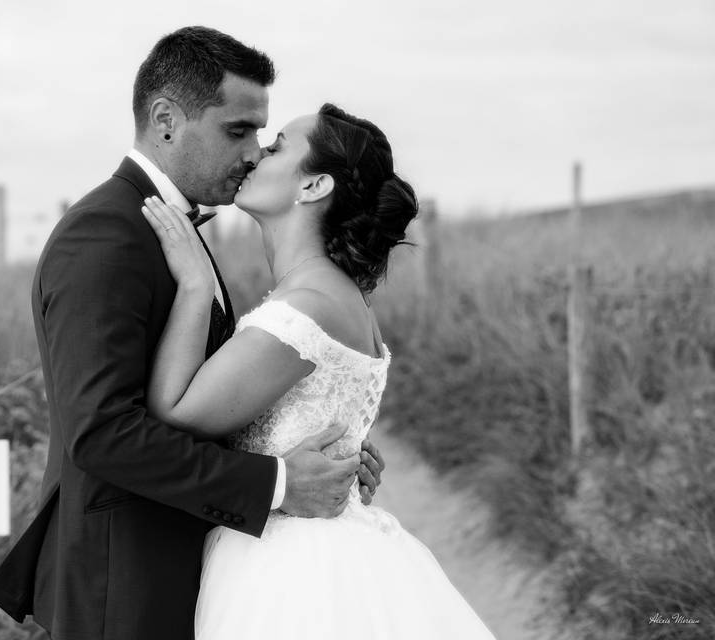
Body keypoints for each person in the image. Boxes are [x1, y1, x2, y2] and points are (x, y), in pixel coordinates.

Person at [0, 27, 386, 640]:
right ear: (167, 120)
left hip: (187, 565)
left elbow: (211, 400)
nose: (252, 152)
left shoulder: (174, 227)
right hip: (125, 579)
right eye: (238, 130)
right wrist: (279, 482)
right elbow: (103, 433)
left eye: (262, 136)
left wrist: (326, 450)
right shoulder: (106, 235)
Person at [138, 103, 498, 639]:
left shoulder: (306, 305)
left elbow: (176, 412)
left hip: (294, 569)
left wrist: (192, 285)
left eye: (279, 145)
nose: (258, 152)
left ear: (313, 186)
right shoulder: (327, 294)